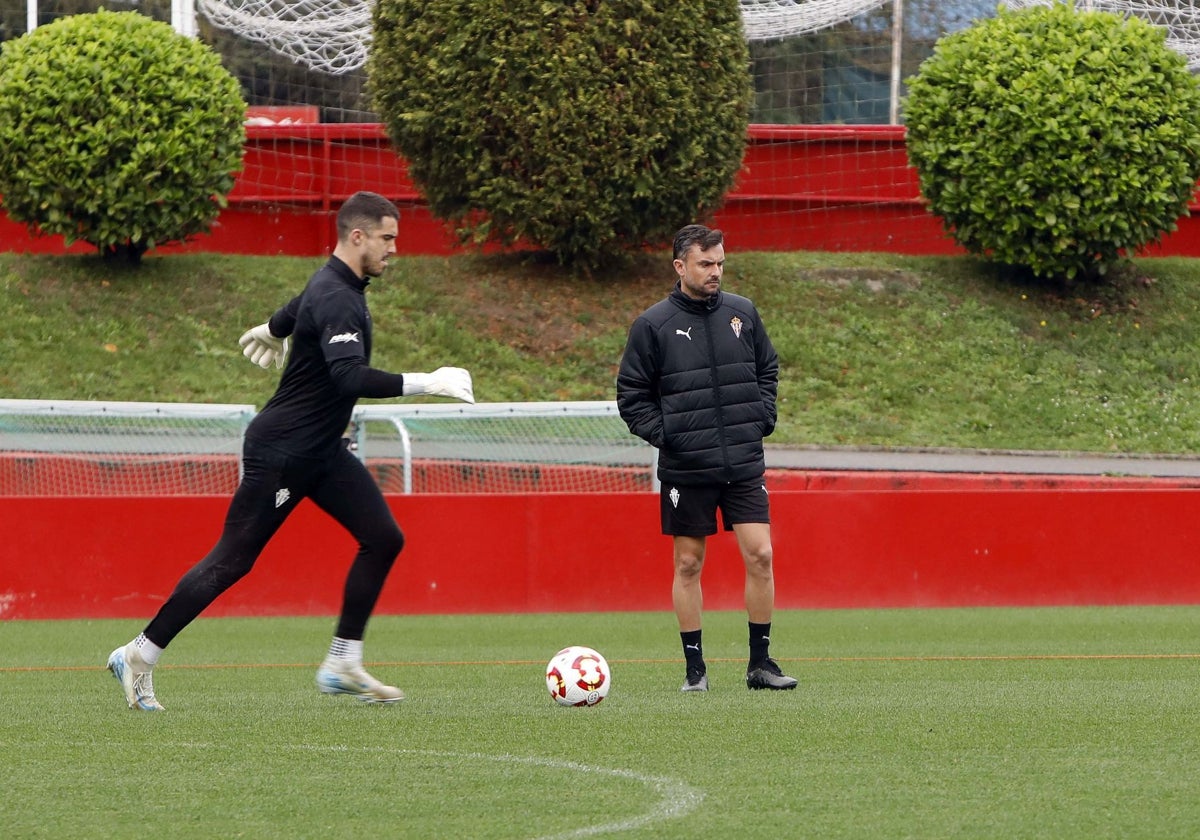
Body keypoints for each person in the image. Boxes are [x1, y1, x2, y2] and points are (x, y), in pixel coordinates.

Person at [106, 190, 474, 710]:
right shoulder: (340, 295)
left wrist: (275, 328)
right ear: (357, 236)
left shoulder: (336, 282)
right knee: (231, 562)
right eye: (388, 238)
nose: (395, 249)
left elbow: (302, 305)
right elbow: (347, 376)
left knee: (383, 537)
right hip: (281, 451)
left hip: (321, 449)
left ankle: (343, 660)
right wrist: (425, 382)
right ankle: (138, 654)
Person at [616, 224, 797, 693]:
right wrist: (669, 436)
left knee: (761, 554)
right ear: (680, 266)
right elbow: (631, 395)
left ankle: (761, 664)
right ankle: (695, 671)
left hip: (743, 459)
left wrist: (762, 418)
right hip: (687, 466)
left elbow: (767, 368)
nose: (715, 272)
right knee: (689, 564)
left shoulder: (743, 312)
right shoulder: (652, 325)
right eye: (705, 264)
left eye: (720, 263)